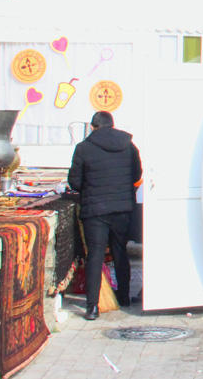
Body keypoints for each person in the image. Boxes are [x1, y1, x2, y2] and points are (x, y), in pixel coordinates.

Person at [68, 111, 142, 320]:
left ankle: (92, 307)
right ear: (112, 125)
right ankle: (125, 297)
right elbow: (137, 174)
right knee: (120, 251)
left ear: (93, 127)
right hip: (122, 208)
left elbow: (74, 182)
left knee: (95, 256)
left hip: (95, 210)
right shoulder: (128, 145)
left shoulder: (83, 148)